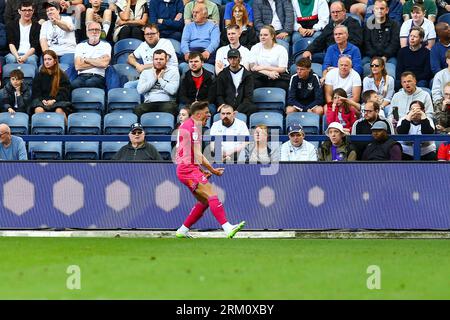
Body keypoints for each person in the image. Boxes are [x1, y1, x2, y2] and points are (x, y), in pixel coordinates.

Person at [175, 100, 246, 239]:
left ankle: (182, 230)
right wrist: (213, 170)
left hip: (187, 168)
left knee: (204, 201)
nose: (209, 115)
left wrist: (200, 170)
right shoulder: (193, 128)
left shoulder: (187, 125)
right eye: (207, 112)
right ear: (199, 114)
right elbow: (198, 155)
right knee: (212, 196)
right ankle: (227, 227)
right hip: (187, 170)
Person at [125, 24, 178, 88]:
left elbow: (163, 61)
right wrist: (137, 65)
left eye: (152, 33)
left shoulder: (165, 43)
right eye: (147, 34)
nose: (150, 36)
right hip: (149, 78)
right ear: (144, 36)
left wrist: (144, 67)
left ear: (158, 34)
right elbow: (130, 57)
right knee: (128, 85)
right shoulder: (143, 45)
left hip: (166, 77)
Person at [135, 49, 180, 117]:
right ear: (153, 60)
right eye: (156, 59)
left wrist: (160, 79)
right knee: (138, 109)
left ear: (166, 60)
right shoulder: (145, 72)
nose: (158, 61)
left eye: (161, 59)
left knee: (171, 108)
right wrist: (154, 78)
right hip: (149, 103)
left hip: (167, 103)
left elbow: (173, 91)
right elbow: (140, 90)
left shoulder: (173, 72)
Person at [30, 50, 71, 120]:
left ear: (55, 61)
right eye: (45, 59)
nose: (47, 61)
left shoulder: (62, 75)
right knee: (38, 110)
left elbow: (64, 93)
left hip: (57, 102)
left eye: (49, 59)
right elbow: (36, 92)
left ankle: (66, 129)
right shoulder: (39, 75)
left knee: (59, 111)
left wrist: (53, 101)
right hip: (42, 102)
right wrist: (42, 100)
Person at [362, 0, 400, 75]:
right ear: (373, 10)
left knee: (391, 72)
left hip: (389, 58)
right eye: (377, 8)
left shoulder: (394, 25)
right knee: (364, 67)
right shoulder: (368, 24)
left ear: (387, 10)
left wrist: (385, 56)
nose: (379, 11)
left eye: (382, 8)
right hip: (371, 57)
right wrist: (375, 58)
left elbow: (394, 43)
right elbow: (366, 43)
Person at [249, 25, 290, 91]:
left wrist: (263, 67)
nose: (262, 37)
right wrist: (268, 73)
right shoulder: (255, 47)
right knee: (253, 82)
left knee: (282, 85)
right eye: (261, 35)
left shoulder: (281, 49)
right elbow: (253, 67)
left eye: (265, 35)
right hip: (260, 75)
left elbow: (282, 69)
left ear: (272, 36)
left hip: (277, 75)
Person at [215, 49, 256, 116]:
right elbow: (219, 94)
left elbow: (248, 97)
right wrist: (223, 105)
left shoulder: (247, 75)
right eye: (230, 58)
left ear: (240, 59)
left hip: (242, 106)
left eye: (235, 58)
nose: (233, 60)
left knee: (252, 108)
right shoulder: (222, 74)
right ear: (227, 60)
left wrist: (238, 110)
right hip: (226, 105)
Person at [72, 21, 111, 89]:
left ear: (100, 32)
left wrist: (86, 59)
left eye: (97, 29)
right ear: (87, 32)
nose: (94, 32)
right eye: (91, 29)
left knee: (90, 82)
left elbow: (104, 64)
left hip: (98, 76)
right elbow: (78, 66)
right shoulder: (80, 46)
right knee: (74, 84)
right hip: (82, 76)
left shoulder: (106, 45)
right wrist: (98, 61)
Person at [5, 1, 41, 68]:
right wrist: (17, 57)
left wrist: (25, 57)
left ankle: (34, 78)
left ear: (33, 11)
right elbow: (11, 43)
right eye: (24, 10)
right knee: (11, 59)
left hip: (30, 54)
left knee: (31, 60)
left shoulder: (37, 27)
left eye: (29, 10)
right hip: (14, 53)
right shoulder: (11, 25)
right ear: (19, 11)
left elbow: (34, 46)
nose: (27, 13)